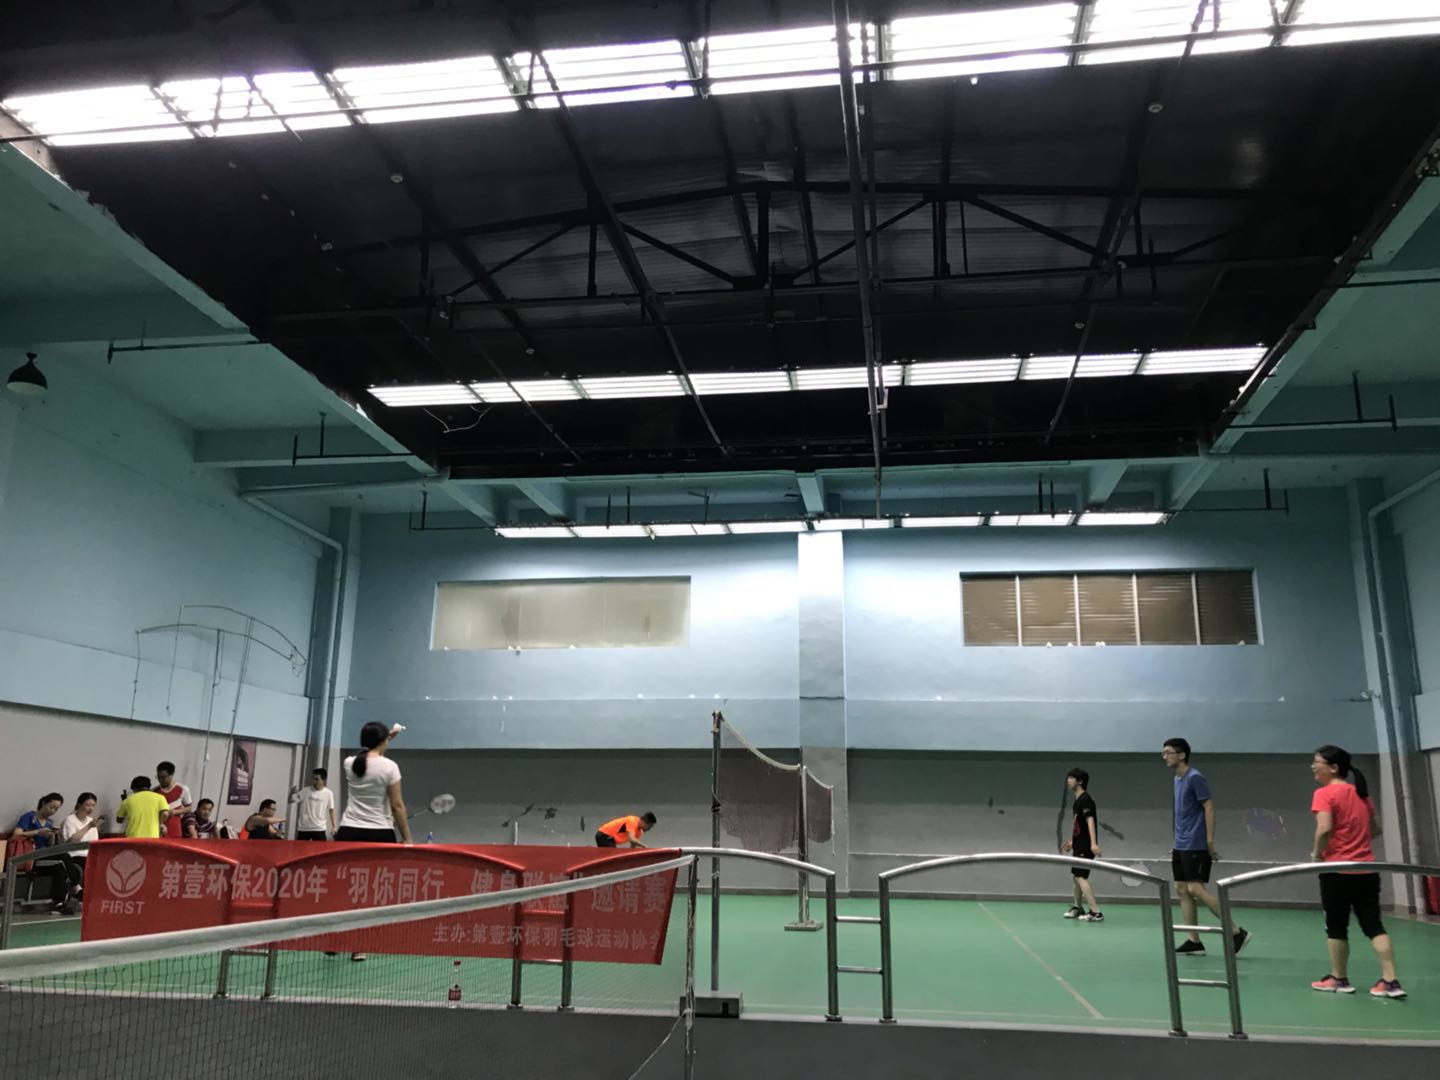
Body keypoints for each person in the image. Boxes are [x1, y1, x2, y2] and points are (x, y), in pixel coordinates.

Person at [1308, 745, 1404, 998]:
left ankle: (1338, 978)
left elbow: (1324, 828)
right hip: (1367, 871)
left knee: (1336, 927)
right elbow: (1376, 830)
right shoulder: (1361, 794)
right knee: (1374, 925)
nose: (1313, 767)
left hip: (1336, 872)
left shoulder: (1323, 794)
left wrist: (1316, 855)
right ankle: (1391, 981)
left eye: (1317, 762)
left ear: (1333, 767)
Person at [1164, 738, 1249, 956]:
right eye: (1163, 753)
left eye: (1169, 752)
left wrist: (1209, 841)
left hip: (1196, 842)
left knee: (1195, 888)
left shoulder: (1195, 777)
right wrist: (1177, 840)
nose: (1165, 757)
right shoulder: (1176, 779)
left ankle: (1237, 932)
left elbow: (1209, 807)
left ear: (1182, 755)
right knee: (1181, 888)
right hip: (1181, 843)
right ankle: (1194, 941)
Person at [336, 722, 411, 961]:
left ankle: (333, 940)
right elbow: (397, 806)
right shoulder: (390, 767)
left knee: (346, 889)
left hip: (348, 832)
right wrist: (407, 838)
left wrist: (386, 738)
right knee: (369, 893)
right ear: (383, 740)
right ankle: (359, 946)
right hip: (379, 834)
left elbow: (367, 755)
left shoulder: (350, 763)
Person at [11, 793, 79, 911]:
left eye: (56, 809)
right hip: (29, 857)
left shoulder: (49, 823)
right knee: (64, 856)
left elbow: (49, 846)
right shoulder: (29, 817)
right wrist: (37, 832)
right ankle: (76, 886)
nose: (53, 811)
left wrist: (51, 836)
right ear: (43, 803)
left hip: (43, 856)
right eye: (51, 807)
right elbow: (16, 835)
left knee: (60, 867)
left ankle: (59, 902)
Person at [1060, 768, 1102, 923]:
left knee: (1080, 877)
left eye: (1071, 778)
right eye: (1068, 778)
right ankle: (1078, 907)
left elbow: (1090, 821)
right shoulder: (1078, 801)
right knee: (1076, 876)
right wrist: (1072, 841)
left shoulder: (1086, 800)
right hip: (1079, 843)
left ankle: (1096, 912)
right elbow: (1078, 824)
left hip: (1085, 845)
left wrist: (1094, 843)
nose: (1068, 780)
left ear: (1080, 781)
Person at [60, 792, 105, 898]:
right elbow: (72, 842)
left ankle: (100, 894)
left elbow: (95, 842)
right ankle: (84, 894)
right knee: (87, 864)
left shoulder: (91, 821)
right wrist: (88, 827)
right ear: (79, 805)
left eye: (93, 805)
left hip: (90, 854)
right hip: (74, 855)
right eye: (88, 805)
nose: (91, 808)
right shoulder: (70, 820)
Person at [290, 768, 337, 841]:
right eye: (313, 779)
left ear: (323, 780)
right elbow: (291, 801)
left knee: (321, 848)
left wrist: (334, 827)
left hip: (319, 828)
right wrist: (292, 792)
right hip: (304, 828)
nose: (314, 781)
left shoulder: (328, 793)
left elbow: (331, 810)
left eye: (317, 779)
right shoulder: (305, 790)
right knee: (300, 848)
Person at [154, 762, 193, 840]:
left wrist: (175, 812)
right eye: (158, 777)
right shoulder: (154, 791)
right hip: (157, 831)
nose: (160, 780)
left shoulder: (182, 789)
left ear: (171, 774)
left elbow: (189, 808)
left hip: (175, 831)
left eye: (163, 777)